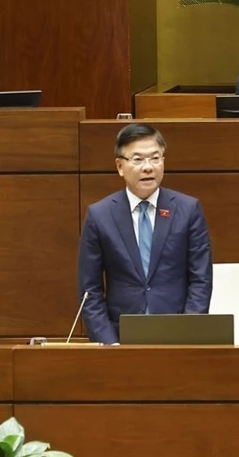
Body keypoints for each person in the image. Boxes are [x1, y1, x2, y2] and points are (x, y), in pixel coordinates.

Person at [76, 123, 213, 344]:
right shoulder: (100, 215)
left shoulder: (188, 210)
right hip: (120, 338)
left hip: (177, 334)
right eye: (138, 159)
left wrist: (188, 334)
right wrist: (109, 344)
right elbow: (89, 289)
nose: (148, 167)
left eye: (155, 158)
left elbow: (201, 280)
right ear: (120, 166)